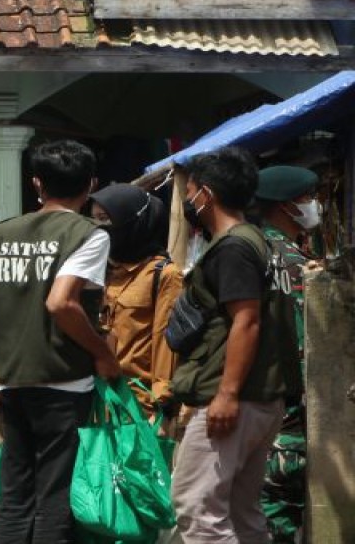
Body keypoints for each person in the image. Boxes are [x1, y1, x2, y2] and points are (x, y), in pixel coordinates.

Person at [0, 140, 117, 543]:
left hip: (12, 379)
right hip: (64, 380)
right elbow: (61, 303)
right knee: (55, 495)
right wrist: (102, 352)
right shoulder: (88, 234)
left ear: (37, 183)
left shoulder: (1, 233)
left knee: (15, 495)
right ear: (90, 183)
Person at [170, 150, 300, 543]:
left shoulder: (234, 247)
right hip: (261, 398)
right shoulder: (260, 242)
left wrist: (226, 394)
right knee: (243, 514)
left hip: (234, 400)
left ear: (205, 195)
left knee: (197, 509)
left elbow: (247, 321)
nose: (188, 200)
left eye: (189, 192)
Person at [253, 165, 321, 542]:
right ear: (286, 205)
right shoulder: (290, 262)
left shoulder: (259, 247)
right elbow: (299, 341)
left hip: (266, 402)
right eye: (308, 198)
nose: (315, 205)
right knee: (276, 506)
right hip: (286, 410)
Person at [87, 184, 181, 414]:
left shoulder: (162, 274)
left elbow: (164, 342)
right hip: (93, 402)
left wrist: (161, 402)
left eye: (105, 219)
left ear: (132, 221)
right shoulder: (97, 269)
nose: (99, 228)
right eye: (94, 220)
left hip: (137, 406)